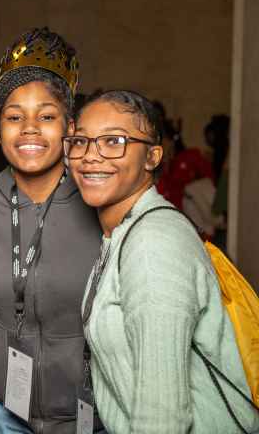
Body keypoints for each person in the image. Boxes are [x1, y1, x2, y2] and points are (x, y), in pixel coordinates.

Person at [65, 90, 259, 433]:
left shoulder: (154, 243)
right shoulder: (123, 230)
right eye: (81, 141)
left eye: (113, 141)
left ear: (152, 157)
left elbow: (162, 418)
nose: (90, 156)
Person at [0, 27, 102, 434]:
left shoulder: (101, 200)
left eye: (46, 116)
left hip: (88, 413)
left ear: (70, 127)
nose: (29, 128)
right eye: (13, 117)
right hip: (0, 408)